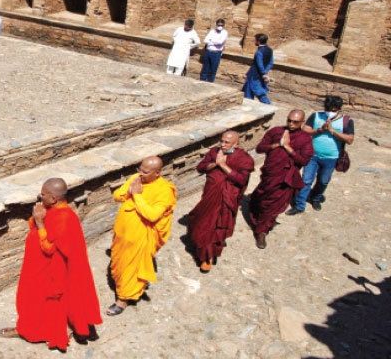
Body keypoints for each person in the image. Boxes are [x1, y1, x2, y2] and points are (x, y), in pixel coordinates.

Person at [0, 178, 101, 352]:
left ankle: (34, 331)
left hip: (50, 270)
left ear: (54, 198)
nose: (40, 196)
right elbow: (35, 229)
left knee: (37, 300)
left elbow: (48, 248)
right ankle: (29, 327)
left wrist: (39, 223)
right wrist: (37, 218)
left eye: (43, 194)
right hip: (36, 265)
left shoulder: (65, 218)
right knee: (29, 298)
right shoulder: (50, 209)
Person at [107, 156, 176, 315]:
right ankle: (123, 285)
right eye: (140, 169)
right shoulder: (136, 178)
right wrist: (128, 189)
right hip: (122, 233)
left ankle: (123, 299)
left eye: (145, 172)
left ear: (157, 173)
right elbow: (117, 196)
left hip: (140, 237)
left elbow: (152, 215)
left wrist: (137, 195)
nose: (140, 174)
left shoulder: (164, 190)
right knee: (120, 263)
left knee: (131, 266)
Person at [188, 131, 254, 272]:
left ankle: (208, 257)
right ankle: (204, 247)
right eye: (221, 141)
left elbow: (242, 180)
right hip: (210, 195)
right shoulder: (214, 152)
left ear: (236, 143)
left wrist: (223, 165)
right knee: (203, 223)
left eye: (227, 142)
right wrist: (215, 164)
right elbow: (200, 168)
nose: (223, 145)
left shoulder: (244, 158)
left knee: (218, 226)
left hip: (227, 198)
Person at [248, 110, 313, 248]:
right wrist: (277, 145)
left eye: (295, 122)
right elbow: (260, 148)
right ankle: (260, 219)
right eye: (289, 120)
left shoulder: (305, 138)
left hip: (285, 178)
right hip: (270, 174)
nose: (291, 124)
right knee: (261, 198)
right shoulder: (275, 131)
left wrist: (288, 148)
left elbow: (304, 160)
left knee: (274, 204)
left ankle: (261, 232)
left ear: (302, 122)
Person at [288, 95, 355, 214]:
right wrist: (320, 130)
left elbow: (350, 139)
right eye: (327, 109)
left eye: (332, 110)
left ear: (339, 108)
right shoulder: (316, 115)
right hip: (312, 155)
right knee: (306, 180)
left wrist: (332, 131)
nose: (329, 112)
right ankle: (299, 205)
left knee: (323, 181)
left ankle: (316, 198)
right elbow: (305, 129)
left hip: (331, 157)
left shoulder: (347, 120)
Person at [243, 33, 273, 104]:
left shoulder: (259, 52)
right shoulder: (270, 50)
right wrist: (265, 72)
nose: (254, 42)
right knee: (248, 90)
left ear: (258, 41)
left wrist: (263, 73)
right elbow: (271, 62)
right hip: (257, 74)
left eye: (255, 40)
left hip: (254, 75)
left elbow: (259, 64)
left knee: (257, 91)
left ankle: (267, 104)